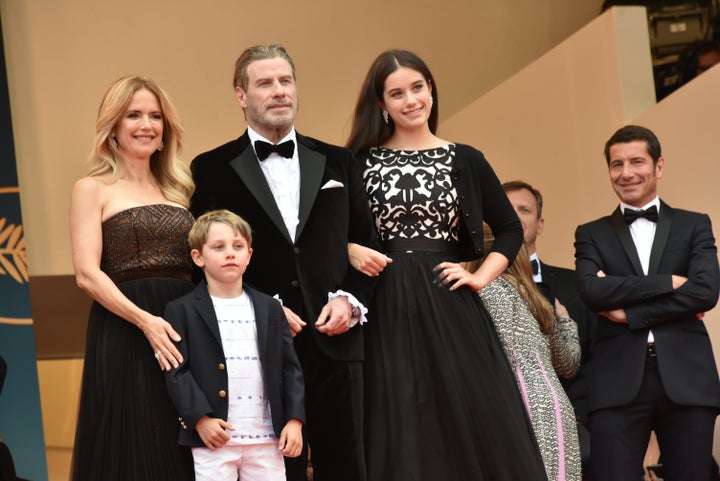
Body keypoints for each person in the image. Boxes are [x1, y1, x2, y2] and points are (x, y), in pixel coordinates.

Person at [345, 49, 549, 481]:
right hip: (384, 303)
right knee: (400, 414)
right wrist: (349, 250)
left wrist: (478, 276)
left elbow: (510, 229)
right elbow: (332, 231)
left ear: (431, 89)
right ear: (381, 104)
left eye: (418, 88)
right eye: (396, 93)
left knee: (471, 411)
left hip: (449, 300)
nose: (411, 100)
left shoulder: (465, 158)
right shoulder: (359, 162)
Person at [189, 45, 377, 481]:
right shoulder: (211, 169)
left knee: (348, 467)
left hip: (338, 343)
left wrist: (350, 301)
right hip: (255, 349)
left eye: (286, 81)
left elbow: (367, 245)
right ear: (241, 95)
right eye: (265, 83)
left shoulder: (338, 161)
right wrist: (264, 307)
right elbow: (207, 258)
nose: (279, 92)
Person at [574, 124, 720, 481]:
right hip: (616, 382)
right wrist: (668, 283)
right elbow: (593, 292)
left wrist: (631, 312)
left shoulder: (694, 225)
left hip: (687, 378)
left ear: (659, 166)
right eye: (616, 164)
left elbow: (705, 292)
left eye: (637, 161)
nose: (626, 173)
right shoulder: (591, 233)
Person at [69, 76, 196, 481]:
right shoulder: (92, 188)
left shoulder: (181, 190)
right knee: (135, 446)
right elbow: (87, 275)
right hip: (126, 330)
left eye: (155, 116)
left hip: (182, 329)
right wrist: (145, 322)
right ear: (114, 127)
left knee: (189, 444)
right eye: (134, 115)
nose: (146, 124)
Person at [164, 210, 305, 481]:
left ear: (249, 255)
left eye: (238, 246)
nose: (230, 253)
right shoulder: (180, 310)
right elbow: (176, 372)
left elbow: (291, 369)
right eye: (219, 247)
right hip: (214, 438)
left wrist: (295, 420)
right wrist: (200, 420)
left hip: (267, 439)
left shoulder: (271, 308)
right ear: (198, 257)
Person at [468, 225, 581, 481]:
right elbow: (568, 364)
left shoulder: (482, 291)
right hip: (553, 408)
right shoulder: (534, 299)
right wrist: (566, 323)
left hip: (517, 409)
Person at [503, 180, 595, 476]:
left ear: (540, 224)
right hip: (505, 424)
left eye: (524, 210)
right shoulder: (477, 286)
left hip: (575, 425)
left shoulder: (574, 285)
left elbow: (592, 358)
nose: (515, 217)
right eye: (507, 210)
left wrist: (579, 419)